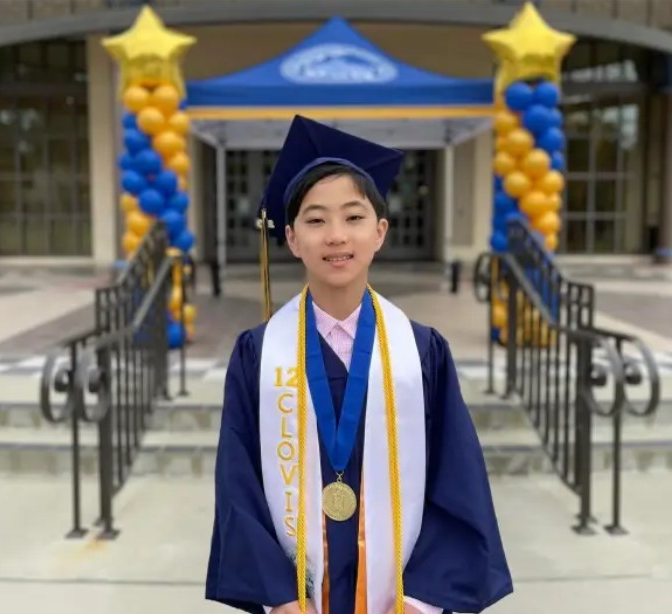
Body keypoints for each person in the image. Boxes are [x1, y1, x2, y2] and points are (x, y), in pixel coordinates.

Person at [205, 115, 512, 614]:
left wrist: (420, 600)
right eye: (315, 220)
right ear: (291, 238)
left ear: (380, 232)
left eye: (353, 217)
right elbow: (237, 481)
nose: (336, 236)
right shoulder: (258, 354)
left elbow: (457, 477)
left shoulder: (421, 351)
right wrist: (279, 597)